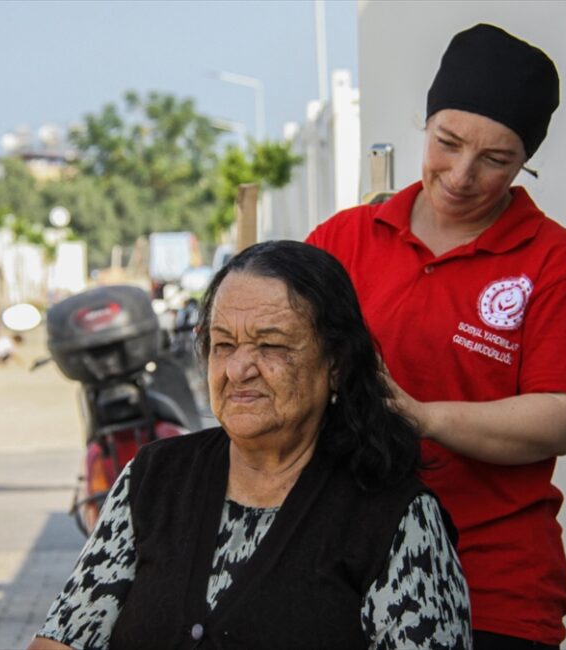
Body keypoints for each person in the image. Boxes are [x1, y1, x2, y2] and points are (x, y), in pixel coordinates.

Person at [307, 23, 566, 649]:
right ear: (425, 125)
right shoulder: (343, 240)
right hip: (341, 569)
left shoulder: (556, 261)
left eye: (496, 160)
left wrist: (423, 417)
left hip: (489, 585)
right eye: (447, 143)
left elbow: (563, 416)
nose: (462, 174)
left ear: (523, 162)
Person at [29, 240, 471, 650]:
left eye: (270, 345)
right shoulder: (153, 478)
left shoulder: (393, 517)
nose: (238, 369)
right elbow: (64, 638)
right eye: (223, 344)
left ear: (336, 363)